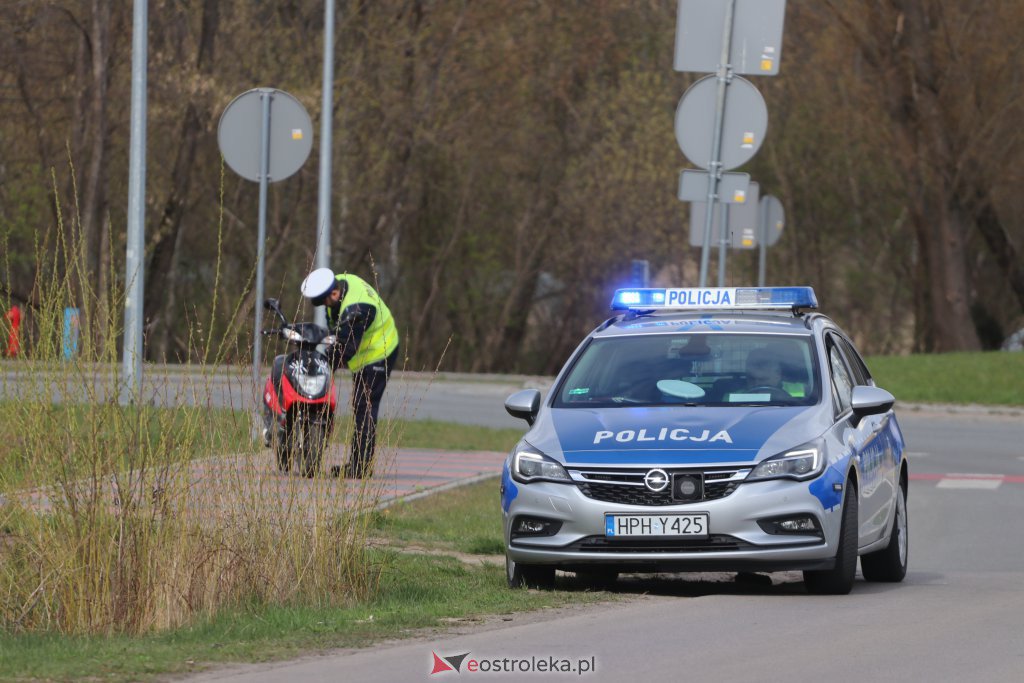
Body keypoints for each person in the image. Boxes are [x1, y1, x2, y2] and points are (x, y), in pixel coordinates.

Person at [300, 267, 400, 479]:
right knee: (359, 403)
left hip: (379, 351)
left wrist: (322, 365)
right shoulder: (340, 281)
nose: (324, 306)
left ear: (334, 294)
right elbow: (335, 331)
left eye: (324, 301)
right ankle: (357, 463)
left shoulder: (358, 309)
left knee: (365, 405)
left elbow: (346, 348)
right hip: (363, 352)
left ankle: (360, 467)